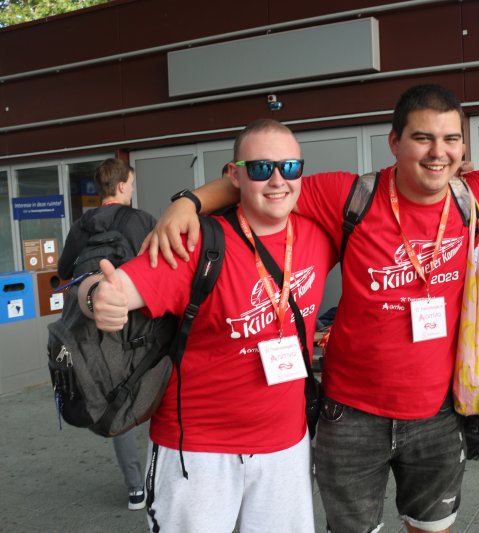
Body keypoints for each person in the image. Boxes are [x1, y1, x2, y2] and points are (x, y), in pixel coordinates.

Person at [147, 84, 479, 533]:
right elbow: (266, 181)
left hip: (436, 414)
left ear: (463, 148)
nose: (438, 152)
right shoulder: (350, 194)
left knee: (431, 527)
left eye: (451, 140)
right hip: (349, 415)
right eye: (423, 138)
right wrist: (189, 201)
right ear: (394, 142)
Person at [77, 119, 336, 532]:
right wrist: (95, 296)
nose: (276, 180)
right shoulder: (199, 241)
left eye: (289, 168)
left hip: (286, 447)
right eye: (259, 168)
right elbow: (112, 286)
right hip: (197, 450)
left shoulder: (321, 234)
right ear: (234, 176)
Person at [58, 158, 155, 511]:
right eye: (131, 182)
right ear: (123, 185)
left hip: (96, 325)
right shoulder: (140, 220)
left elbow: (64, 270)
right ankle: (162, 471)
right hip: (139, 322)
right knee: (158, 383)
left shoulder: (81, 226)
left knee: (119, 400)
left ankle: (135, 488)